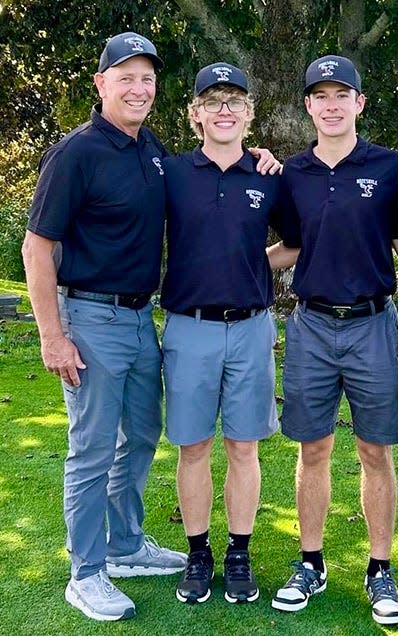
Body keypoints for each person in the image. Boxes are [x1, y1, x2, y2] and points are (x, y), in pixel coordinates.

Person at [21, 33, 278, 622]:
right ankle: (86, 571)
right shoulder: (76, 153)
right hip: (89, 318)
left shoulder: (152, 151)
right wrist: (52, 335)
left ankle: (127, 543)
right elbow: (38, 249)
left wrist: (261, 160)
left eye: (147, 80)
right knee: (90, 451)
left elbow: (222, 192)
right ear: (101, 84)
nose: (138, 89)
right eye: (125, 77)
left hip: (142, 318)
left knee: (138, 438)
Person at [268, 55, 398, 625]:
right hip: (310, 326)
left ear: (359, 103)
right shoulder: (292, 174)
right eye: (320, 96)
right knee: (314, 448)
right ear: (308, 106)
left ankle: (380, 568)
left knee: (375, 450)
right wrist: (238, 270)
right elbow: (293, 246)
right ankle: (311, 562)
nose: (331, 105)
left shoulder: (390, 168)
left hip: (374, 325)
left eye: (342, 95)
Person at [159, 62, 281, 607]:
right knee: (193, 446)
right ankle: (197, 553)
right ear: (196, 114)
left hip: (252, 328)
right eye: (213, 101)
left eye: (234, 100)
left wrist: (252, 265)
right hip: (189, 328)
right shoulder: (172, 173)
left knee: (243, 445)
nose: (224, 109)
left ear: (249, 113)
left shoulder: (269, 176)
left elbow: (298, 242)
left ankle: (238, 552)